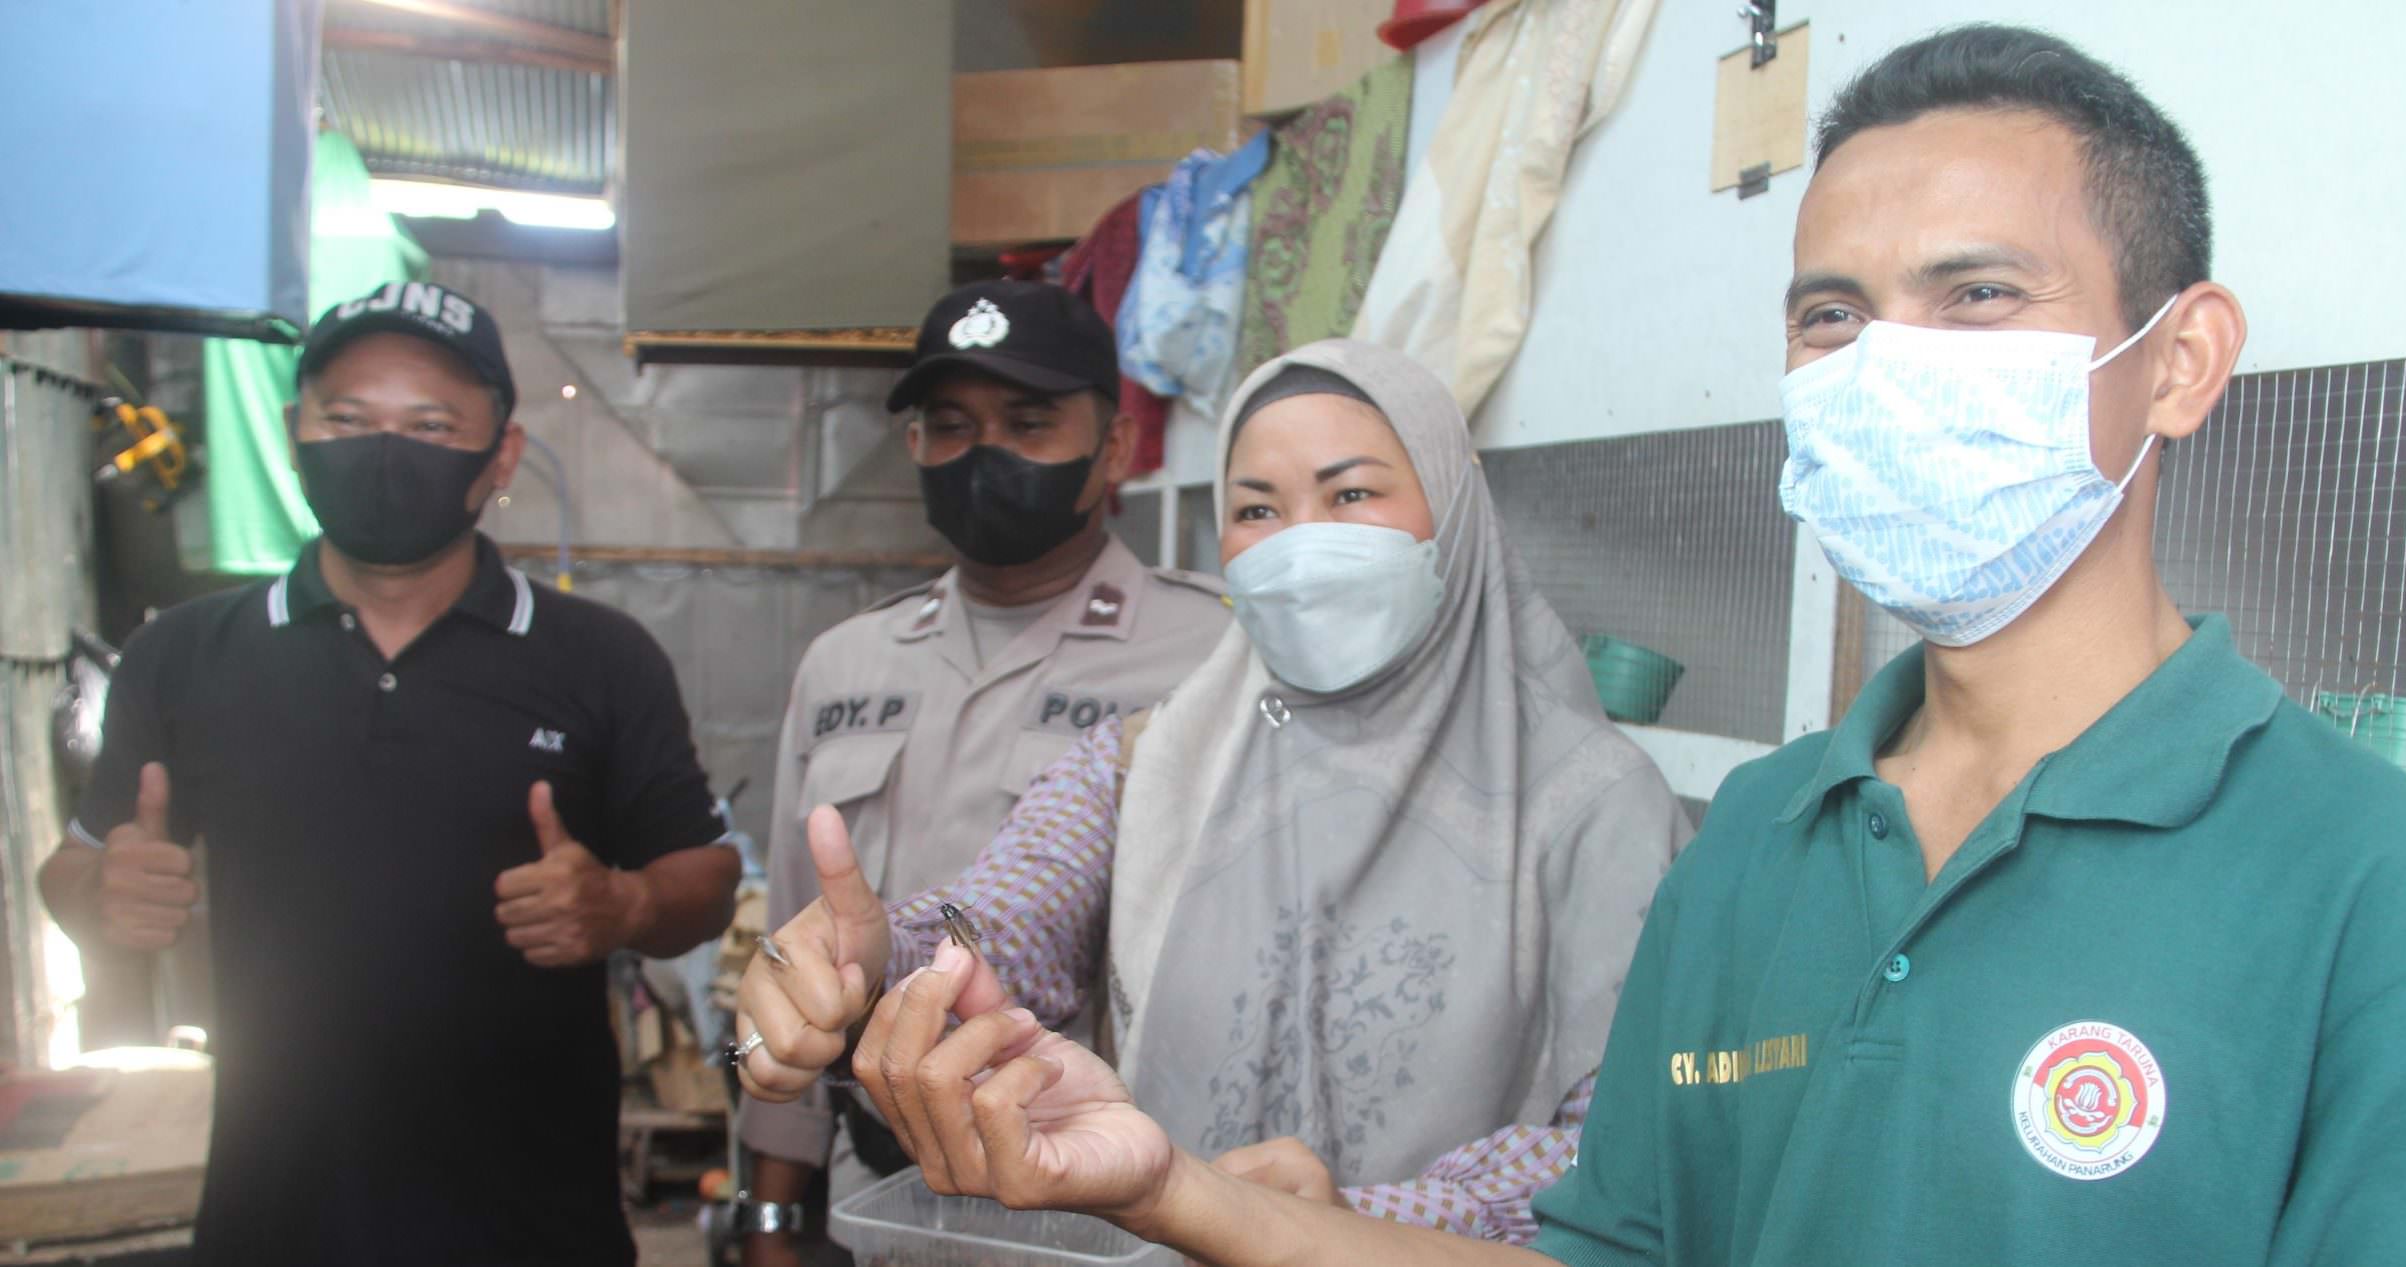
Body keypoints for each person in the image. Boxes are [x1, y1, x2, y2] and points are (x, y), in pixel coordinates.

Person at [783, 25, 2406, 1267]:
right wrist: (1176, 1189)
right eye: (1831, 314)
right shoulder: (1765, 839)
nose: (1884, 367)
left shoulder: (2382, 888)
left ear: (2180, 364)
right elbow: (1621, 1250)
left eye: (1976, 297)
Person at [738, 338, 1690, 1242]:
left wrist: (1356, 1220)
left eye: (1351, 492)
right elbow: (1008, 915)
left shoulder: (1598, 805)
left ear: (1455, 509)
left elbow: (1634, 1143)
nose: (1301, 544)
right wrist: (885, 957)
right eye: (1259, 509)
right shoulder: (1153, 760)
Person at [37, 281, 741, 1267]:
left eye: (429, 423)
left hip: (534, 1227)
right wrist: (102, 897)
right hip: (273, 1220)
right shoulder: (187, 655)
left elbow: (704, 880)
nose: (383, 447)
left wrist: (622, 907)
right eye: (348, 417)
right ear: (294, 431)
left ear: (500, 454)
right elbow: (68, 870)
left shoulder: (599, 657)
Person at [737, 279, 1230, 1264]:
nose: (983, 453)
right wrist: (774, 1216)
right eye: (949, 426)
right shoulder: (847, 661)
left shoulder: (1215, 652)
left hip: (1116, 1199)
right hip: (880, 1197)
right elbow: (794, 949)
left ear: (1117, 447)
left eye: (1029, 421)